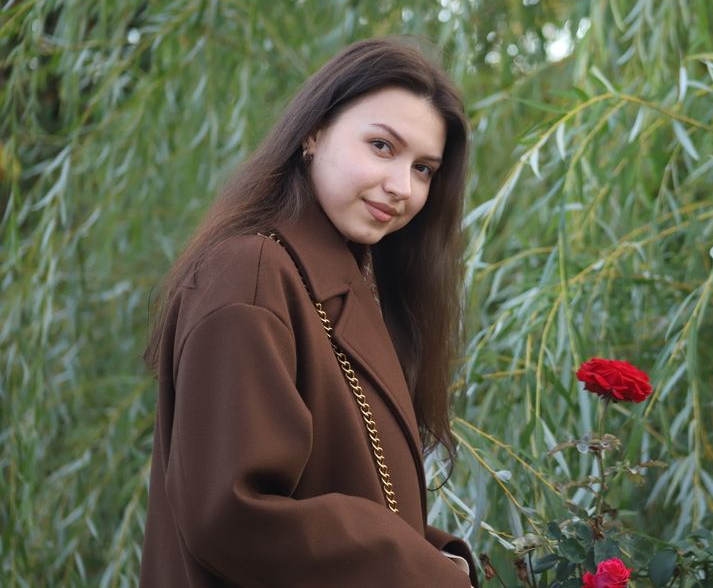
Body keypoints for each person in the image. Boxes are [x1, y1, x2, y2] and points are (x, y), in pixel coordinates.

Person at [140, 38, 477, 587]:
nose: (402, 187)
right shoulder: (251, 272)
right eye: (381, 146)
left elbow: (351, 487)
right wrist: (425, 573)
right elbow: (232, 515)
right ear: (313, 132)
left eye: (423, 169)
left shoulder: (340, 286)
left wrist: (445, 560)